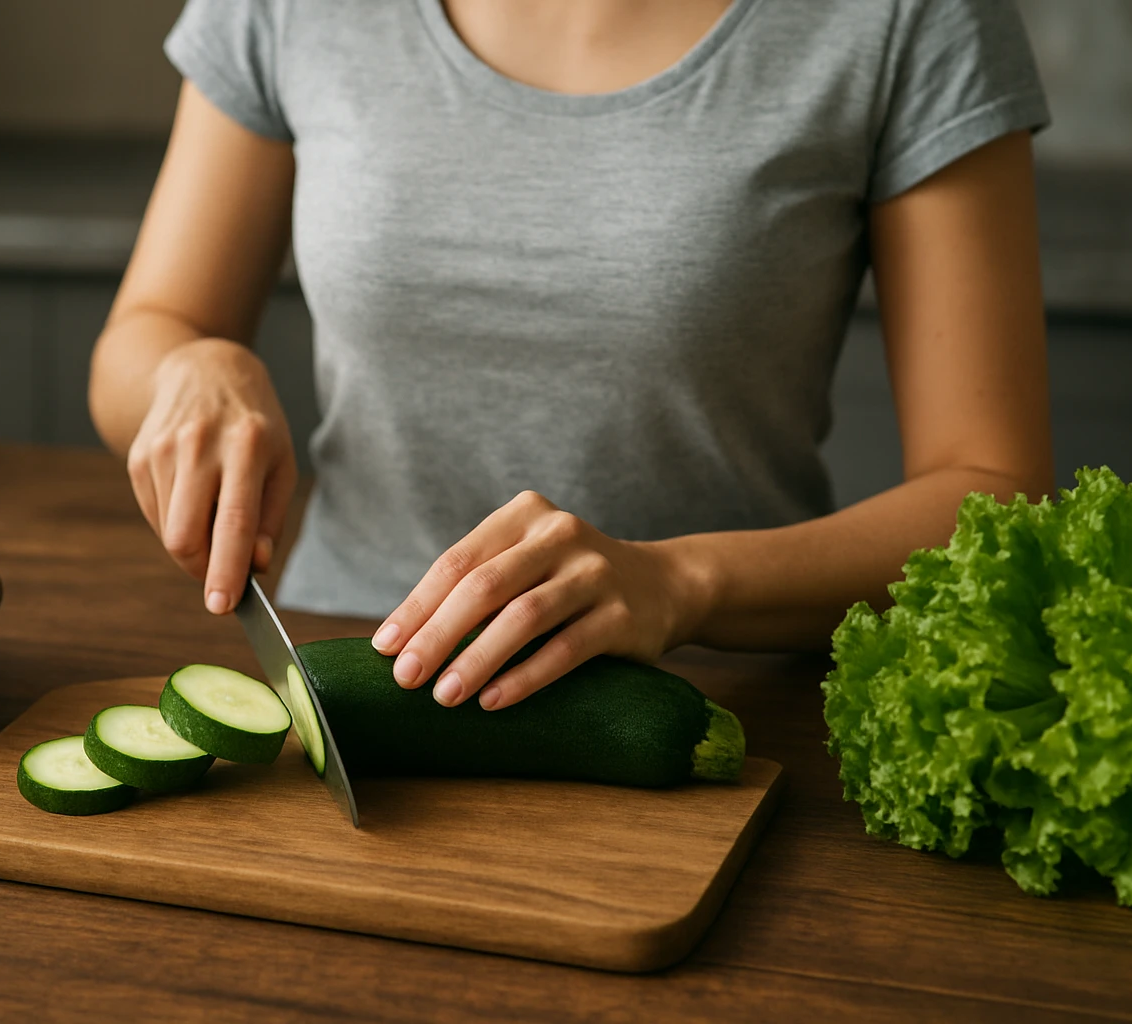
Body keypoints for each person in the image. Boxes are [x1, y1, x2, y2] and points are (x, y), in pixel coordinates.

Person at [88, 0, 1054, 712]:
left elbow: (997, 492)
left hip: (726, 707)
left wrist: (678, 583)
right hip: (346, 670)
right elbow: (146, 331)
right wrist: (189, 367)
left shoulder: (911, 18)